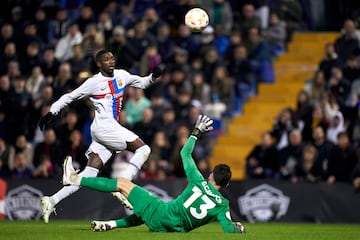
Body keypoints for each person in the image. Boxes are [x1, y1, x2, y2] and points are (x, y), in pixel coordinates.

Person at [62, 115, 245, 233]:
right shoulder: (223, 205)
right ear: (226, 185)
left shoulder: (199, 180)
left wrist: (195, 133)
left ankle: (74, 178)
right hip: (169, 230)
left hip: (162, 214)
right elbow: (228, 229)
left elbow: (184, 153)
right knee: (145, 213)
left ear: (210, 175)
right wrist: (237, 229)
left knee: (123, 183)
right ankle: (110, 224)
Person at [38, 50, 162, 223]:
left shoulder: (122, 75)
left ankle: (52, 200)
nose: (111, 61)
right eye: (106, 59)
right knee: (144, 149)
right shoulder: (94, 82)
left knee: (89, 174)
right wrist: (52, 112)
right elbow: (70, 96)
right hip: (105, 126)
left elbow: (142, 83)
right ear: (99, 64)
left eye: (112, 58)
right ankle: (123, 184)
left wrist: (153, 76)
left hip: (105, 129)